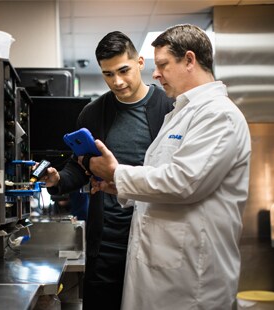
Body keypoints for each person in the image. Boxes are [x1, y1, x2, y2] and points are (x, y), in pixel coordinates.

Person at [87, 24, 251, 309]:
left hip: (191, 277)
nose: (155, 73)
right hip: (162, 268)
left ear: (189, 60)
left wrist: (118, 173)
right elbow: (161, 178)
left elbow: (184, 182)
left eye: (162, 64)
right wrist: (121, 187)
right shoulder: (180, 114)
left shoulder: (218, 115)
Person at [40, 31, 174, 309]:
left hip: (155, 236)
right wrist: (57, 180)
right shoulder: (93, 113)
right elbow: (80, 168)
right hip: (108, 240)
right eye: (108, 74)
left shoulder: (168, 108)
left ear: (139, 62)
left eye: (123, 70)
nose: (117, 81)